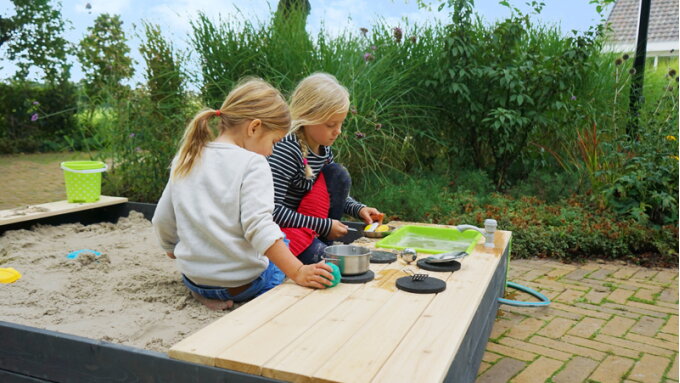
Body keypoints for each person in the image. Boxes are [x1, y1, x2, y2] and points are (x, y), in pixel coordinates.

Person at [152, 78, 333, 311]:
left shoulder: (186, 157)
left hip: (195, 279)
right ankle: (250, 294)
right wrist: (298, 271)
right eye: (274, 141)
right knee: (282, 244)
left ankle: (205, 296)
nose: (272, 151)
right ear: (254, 127)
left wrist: (169, 246)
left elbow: (161, 218)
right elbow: (259, 227)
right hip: (242, 285)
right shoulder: (253, 163)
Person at [268, 73, 382, 265]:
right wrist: (324, 225)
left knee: (337, 174)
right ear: (308, 117)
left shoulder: (323, 148)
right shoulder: (287, 149)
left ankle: (322, 243)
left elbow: (332, 193)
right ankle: (316, 248)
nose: (338, 131)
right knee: (336, 262)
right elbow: (272, 212)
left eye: (341, 123)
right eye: (331, 125)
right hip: (284, 234)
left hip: (311, 227)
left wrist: (358, 209)